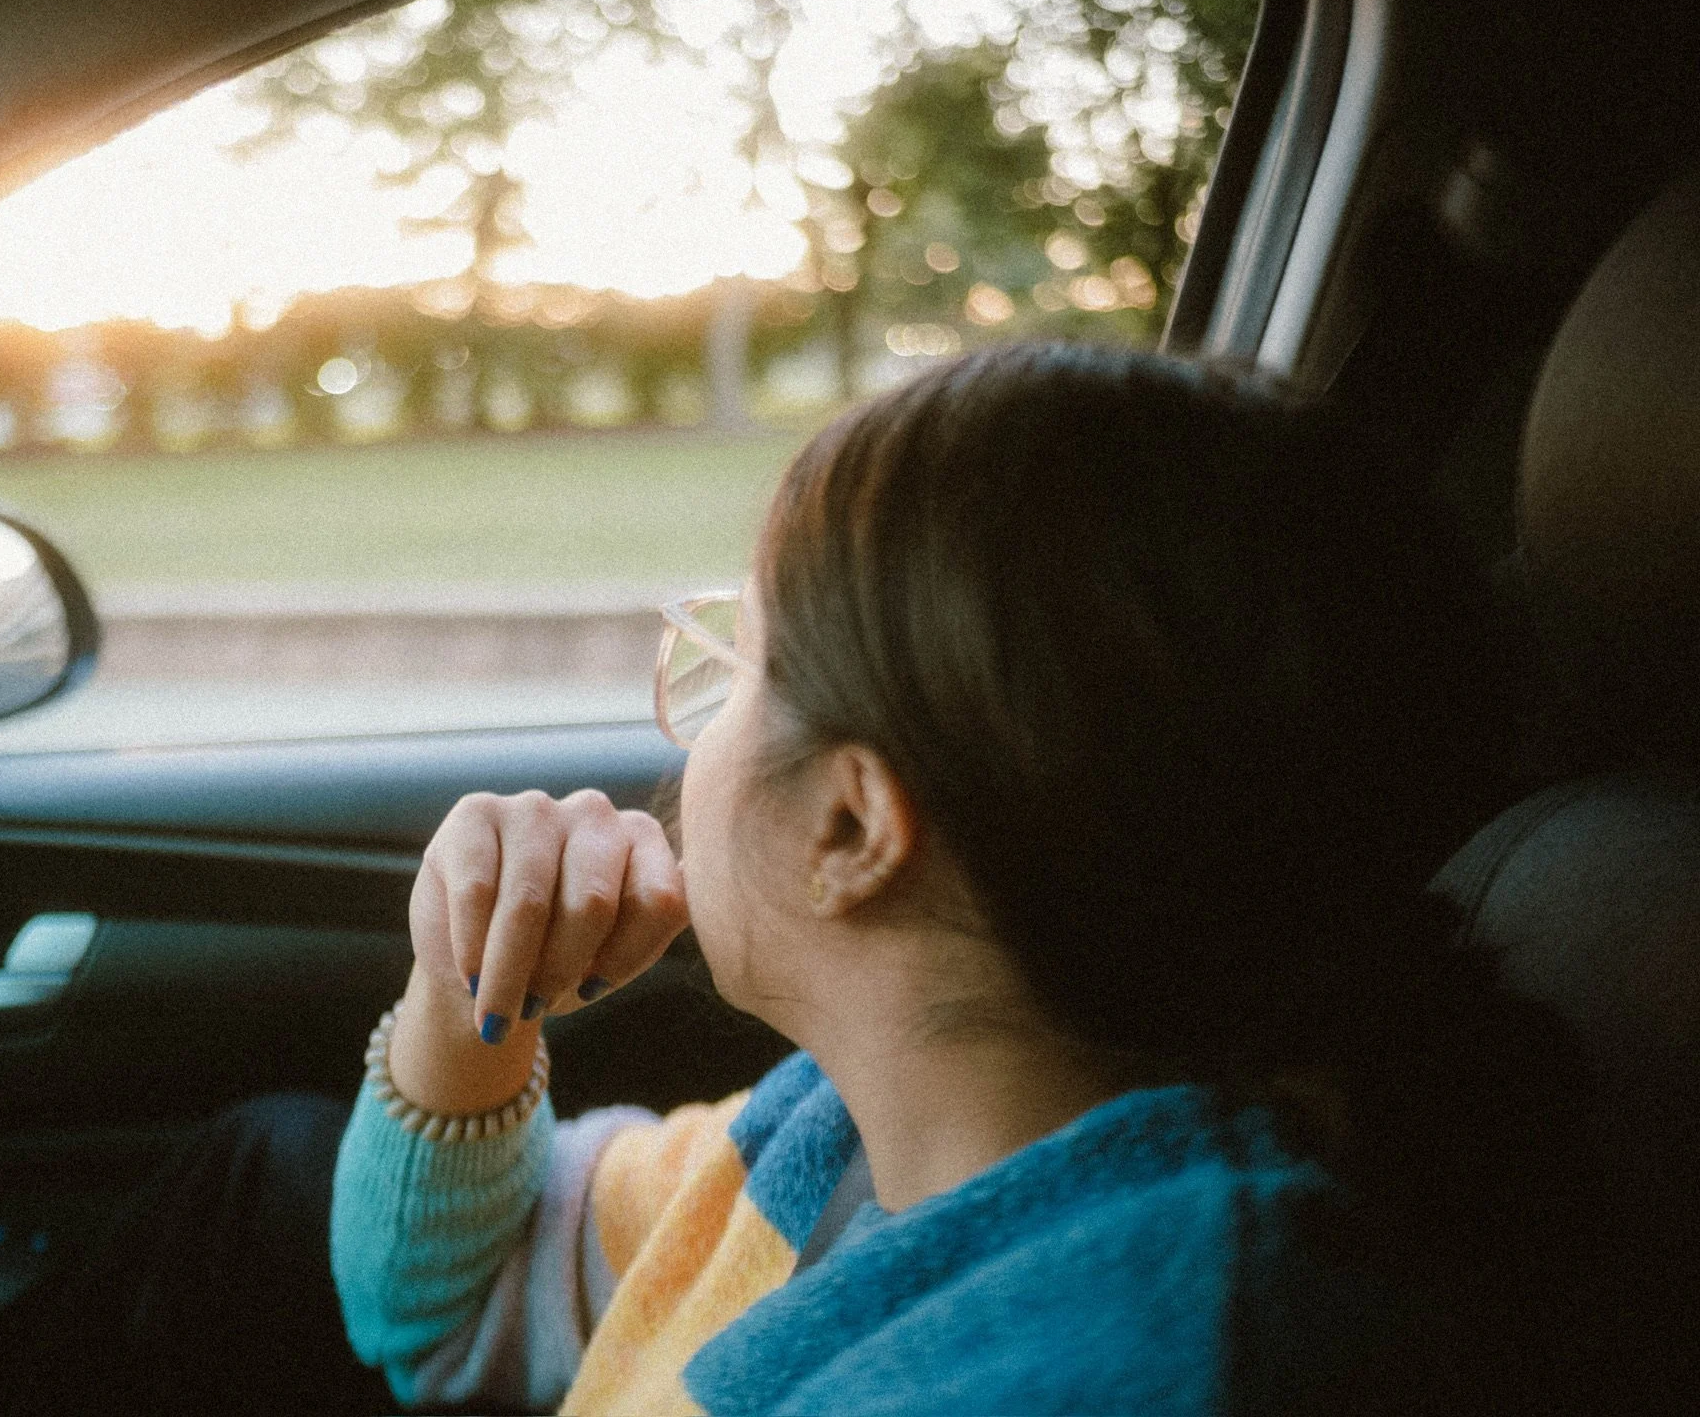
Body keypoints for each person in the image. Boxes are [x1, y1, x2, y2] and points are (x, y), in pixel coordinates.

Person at [329, 343, 1586, 1415]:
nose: (691, 727)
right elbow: (447, 1313)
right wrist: (465, 1000)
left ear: (849, 827)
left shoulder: (1132, 1358)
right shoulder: (833, 1140)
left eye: (741, 661)